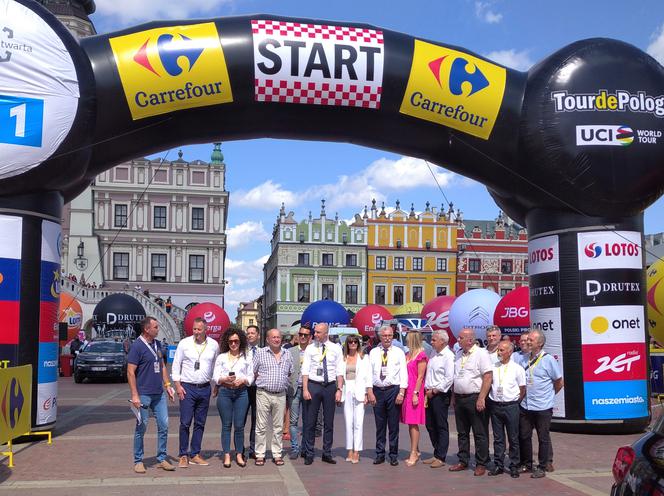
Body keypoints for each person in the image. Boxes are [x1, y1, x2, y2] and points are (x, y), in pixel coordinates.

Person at [127, 317, 176, 473]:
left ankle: (161, 458)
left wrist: (168, 385)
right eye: (155, 327)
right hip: (143, 394)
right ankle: (138, 460)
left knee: (164, 425)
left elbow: (161, 366)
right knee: (142, 426)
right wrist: (135, 395)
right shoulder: (137, 346)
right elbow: (130, 372)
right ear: (147, 329)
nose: (158, 329)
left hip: (158, 393)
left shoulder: (157, 344)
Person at [171, 317, 219, 468]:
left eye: (199, 329)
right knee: (185, 422)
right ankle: (183, 454)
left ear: (206, 330)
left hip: (204, 388)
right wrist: (177, 386)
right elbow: (176, 364)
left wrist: (215, 384)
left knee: (200, 423)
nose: (196, 332)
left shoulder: (213, 345)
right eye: (194, 329)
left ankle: (195, 454)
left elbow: (216, 366)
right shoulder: (184, 343)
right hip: (187, 388)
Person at [519, 328, 564, 479]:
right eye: (527, 340)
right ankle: (527, 463)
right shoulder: (524, 358)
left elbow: (559, 381)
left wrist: (550, 395)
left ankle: (543, 466)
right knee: (524, 435)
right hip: (526, 405)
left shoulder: (548, 359)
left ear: (540, 343)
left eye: (531, 340)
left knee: (543, 437)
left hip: (543, 406)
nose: (527, 342)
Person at [449, 327, 493, 476]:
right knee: (462, 432)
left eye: (460, 338)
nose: (458, 340)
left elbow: (487, 376)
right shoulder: (459, 354)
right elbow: (456, 376)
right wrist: (454, 396)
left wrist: (481, 397)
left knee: (479, 432)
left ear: (469, 340)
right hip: (460, 398)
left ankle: (481, 462)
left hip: (474, 397)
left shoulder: (481, 353)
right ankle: (463, 460)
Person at [301, 323, 344, 465]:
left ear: (326, 333)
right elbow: (305, 370)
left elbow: (339, 370)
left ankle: (327, 452)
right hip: (314, 385)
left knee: (329, 422)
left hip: (330, 387)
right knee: (310, 422)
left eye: (319, 332)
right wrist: (306, 389)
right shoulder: (310, 348)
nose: (316, 334)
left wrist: (339, 390)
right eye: (315, 332)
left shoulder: (336, 348)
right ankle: (309, 452)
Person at [367, 325, 407, 466]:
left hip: (393, 390)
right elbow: (368, 373)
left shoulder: (398, 352)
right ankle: (380, 453)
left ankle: (393, 454)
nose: (387, 338)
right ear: (379, 336)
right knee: (380, 424)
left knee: (393, 425)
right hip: (377, 390)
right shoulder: (373, 352)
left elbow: (403, 374)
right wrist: (369, 391)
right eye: (384, 336)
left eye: (390, 335)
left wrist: (401, 392)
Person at [252, 329, 293, 466]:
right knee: (261, 426)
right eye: (273, 337)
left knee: (278, 427)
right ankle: (260, 454)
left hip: (280, 394)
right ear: (268, 340)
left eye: (278, 337)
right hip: (263, 393)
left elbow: (290, 372)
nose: (276, 339)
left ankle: (277, 453)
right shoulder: (260, 353)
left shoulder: (287, 354)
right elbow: (253, 371)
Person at [213, 328, 253, 468]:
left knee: (240, 426)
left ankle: (239, 454)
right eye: (231, 341)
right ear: (227, 342)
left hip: (241, 392)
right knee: (226, 425)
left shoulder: (246, 356)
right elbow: (215, 377)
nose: (234, 344)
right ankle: (227, 454)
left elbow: (251, 377)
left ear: (240, 341)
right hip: (225, 392)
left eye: (236, 341)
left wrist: (242, 380)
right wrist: (225, 379)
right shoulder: (221, 357)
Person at [488, 341, 525, 478]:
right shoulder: (493, 367)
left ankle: (514, 465)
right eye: (498, 350)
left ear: (510, 352)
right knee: (498, 438)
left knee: (513, 437)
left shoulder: (517, 368)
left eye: (502, 350)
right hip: (496, 406)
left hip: (511, 406)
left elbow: (522, 389)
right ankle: (498, 464)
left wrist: (515, 401)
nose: (499, 353)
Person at [423, 330, 454, 469]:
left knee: (441, 425)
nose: (431, 342)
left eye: (434, 340)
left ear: (443, 341)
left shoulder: (448, 356)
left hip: (439, 394)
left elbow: (449, 378)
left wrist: (435, 390)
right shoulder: (434, 353)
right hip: (429, 393)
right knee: (430, 424)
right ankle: (436, 452)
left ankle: (441, 456)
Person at [341, 334, 371, 464]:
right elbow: (339, 376)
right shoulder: (343, 358)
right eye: (350, 342)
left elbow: (368, 376)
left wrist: (366, 393)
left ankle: (357, 451)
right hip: (347, 391)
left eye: (355, 342)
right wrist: (339, 390)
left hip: (359, 391)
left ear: (358, 344)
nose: (353, 344)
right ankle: (349, 450)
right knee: (349, 422)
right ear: (347, 344)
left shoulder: (364, 358)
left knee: (358, 423)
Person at [401, 331, 428, 466]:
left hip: (414, 390)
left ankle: (413, 452)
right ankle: (415, 449)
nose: (406, 341)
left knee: (413, 422)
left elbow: (420, 376)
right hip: (407, 389)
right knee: (409, 422)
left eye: (408, 339)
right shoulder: (408, 354)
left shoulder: (421, 355)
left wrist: (416, 393)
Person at [287, 324, 312, 460]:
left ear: (310, 337)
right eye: (300, 334)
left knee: (308, 421)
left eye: (305, 335)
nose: (302, 337)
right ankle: (295, 448)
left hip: (309, 390)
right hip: (295, 390)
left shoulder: (313, 351)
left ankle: (305, 448)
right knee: (293, 421)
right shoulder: (290, 351)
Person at [244, 325, 260, 459]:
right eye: (248, 333)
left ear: (258, 336)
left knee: (256, 420)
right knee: (241, 420)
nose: (250, 335)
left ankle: (253, 448)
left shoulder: (263, 352)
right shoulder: (242, 351)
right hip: (244, 388)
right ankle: (240, 449)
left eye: (252, 333)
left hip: (257, 389)